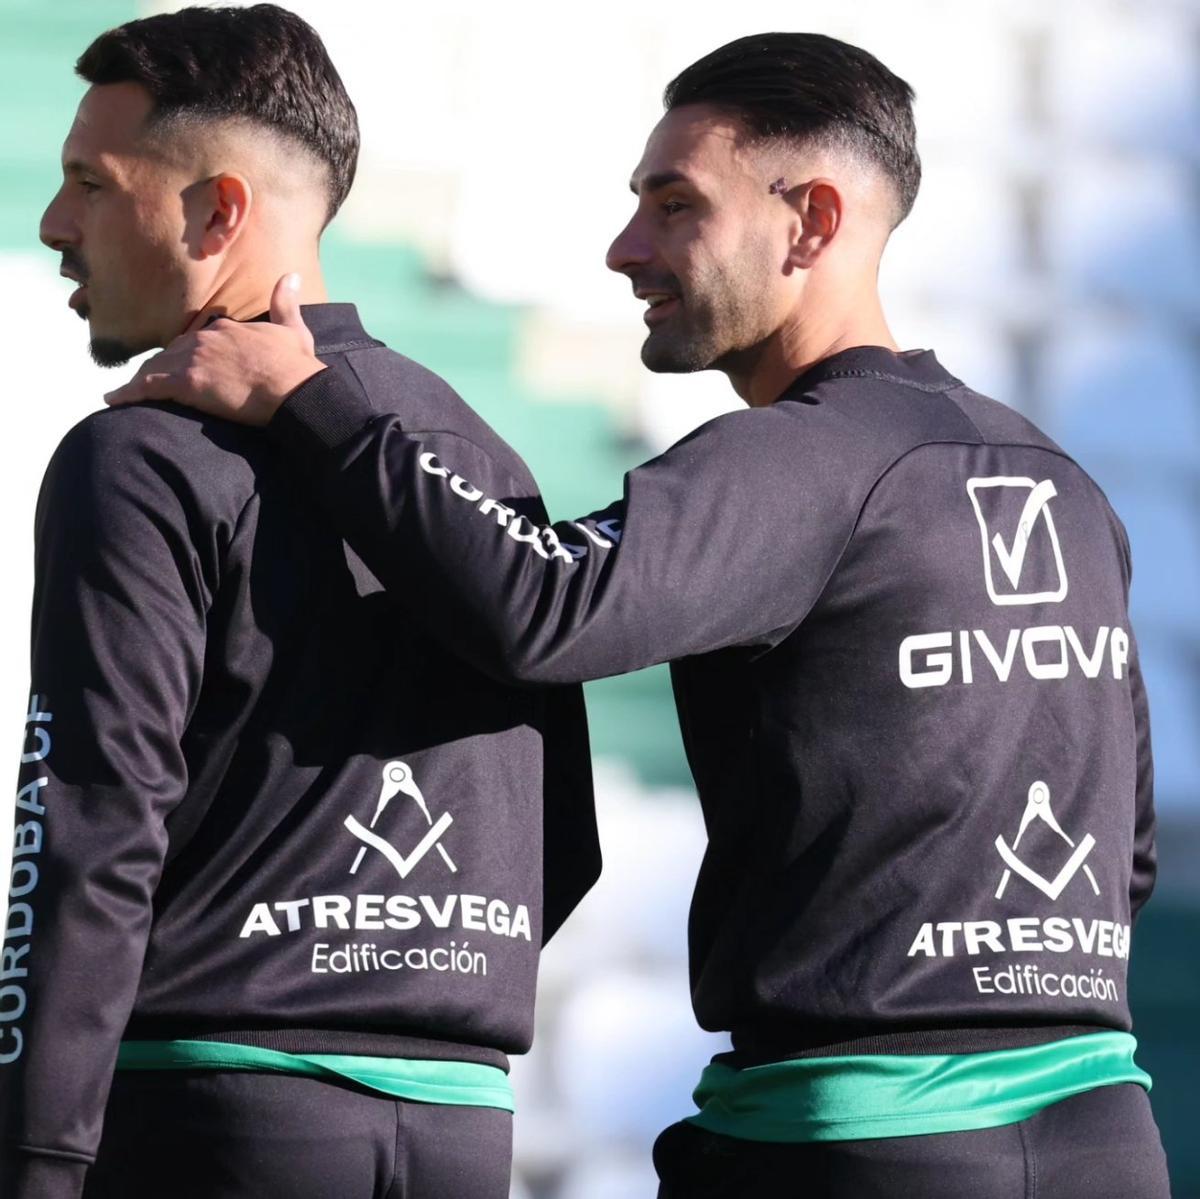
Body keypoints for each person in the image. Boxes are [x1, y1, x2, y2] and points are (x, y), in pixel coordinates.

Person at [107, 31, 1172, 1199]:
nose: (628, 250)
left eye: (675, 206)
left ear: (812, 221)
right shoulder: (1061, 482)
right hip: (1104, 1135)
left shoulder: (798, 464)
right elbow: (1123, 854)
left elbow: (544, 606)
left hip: (859, 1144)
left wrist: (312, 401)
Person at [0, 6, 599, 1198]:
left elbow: (89, 828)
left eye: (90, 184)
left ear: (219, 212)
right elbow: (561, 840)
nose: (54, 224)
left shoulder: (138, 454)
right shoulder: (478, 450)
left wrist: (36, 1151)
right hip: (463, 1128)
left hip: (212, 1113)